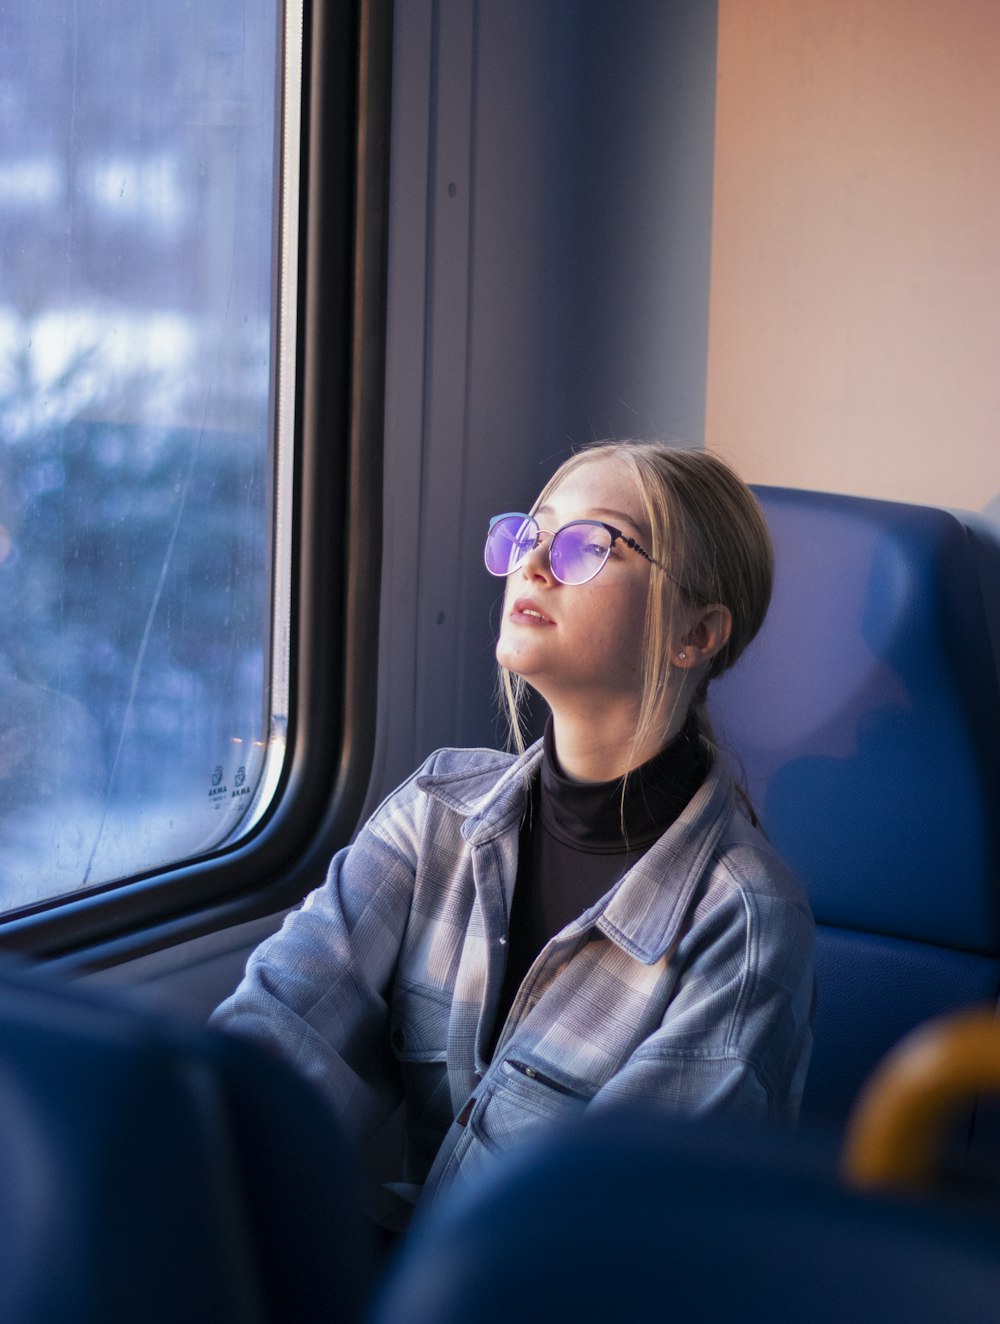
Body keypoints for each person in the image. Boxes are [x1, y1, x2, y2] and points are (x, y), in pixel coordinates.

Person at [212, 442, 815, 1225]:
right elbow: (274, 1039)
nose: (532, 565)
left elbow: (605, 1240)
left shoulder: (744, 923)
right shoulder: (435, 812)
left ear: (695, 635)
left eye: (590, 545)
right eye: (530, 535)